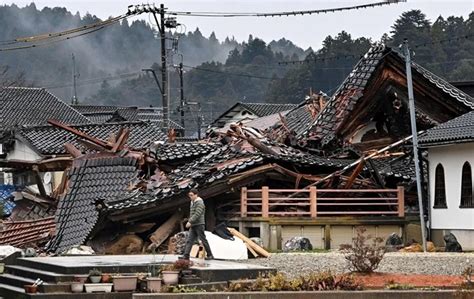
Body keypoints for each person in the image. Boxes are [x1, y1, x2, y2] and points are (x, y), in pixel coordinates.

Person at [180, 189, 214, 260]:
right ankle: (186, 255)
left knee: (203, 239)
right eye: (189, 195)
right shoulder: (192, 202)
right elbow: (192, 213)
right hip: (194, 225)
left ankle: (210, 255)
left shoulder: (199, 202)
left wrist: (190, 221)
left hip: (199, 224)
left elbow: (197, 214)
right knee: (189, 240)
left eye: (192, 195)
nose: (190, 197)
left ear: (196, 195)